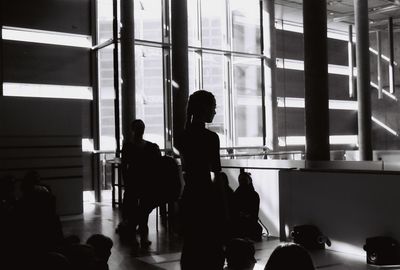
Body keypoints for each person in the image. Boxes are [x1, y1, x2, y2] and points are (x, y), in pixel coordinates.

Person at [177, 90, 224, 270]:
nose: (214, 111)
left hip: (190, 197)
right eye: (213, 107)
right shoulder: (211, 138)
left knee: (192, 246)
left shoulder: (182, 136)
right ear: (205, 108)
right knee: (211, 248)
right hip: (207, 198)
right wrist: (224, 206)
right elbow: (216, 174)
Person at [120, 119, 161, 250]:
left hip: (133, 182)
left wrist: (126, 182)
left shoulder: (128, 147)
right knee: (144, 212)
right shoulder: (150, 147)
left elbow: (124, 166)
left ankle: (133, 238)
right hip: (146, 183)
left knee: (133, 211)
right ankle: (143, 237)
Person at [232, 171, 262, 242]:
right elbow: (254, 214)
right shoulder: (254, 195)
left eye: (243, 180)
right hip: (248, 223)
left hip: (240, 223)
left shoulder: (236, 194)